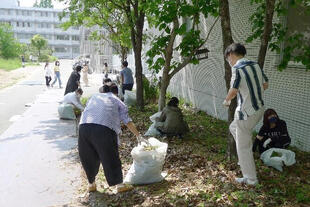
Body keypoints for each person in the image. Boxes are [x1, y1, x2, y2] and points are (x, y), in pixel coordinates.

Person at [78, 84, 141, 193]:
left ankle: (91, 184)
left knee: (88, 156)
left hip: (84, 127)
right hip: (103, 128)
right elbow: (127, 121)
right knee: (110, 156)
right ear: (116, 92)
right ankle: (120, 185)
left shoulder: (94, 97)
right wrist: (138, 135)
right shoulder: (116, 100)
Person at [223, 43, 269, 185]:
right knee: (233, 128)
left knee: (243, 147)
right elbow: (265, 84)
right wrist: (254, 93)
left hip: (246, 113)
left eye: (228, 58)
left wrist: (226, 100)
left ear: (231, 54)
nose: (229, 62)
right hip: (259, 109)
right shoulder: (255, 65)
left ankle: (251, 179)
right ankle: (244, 157)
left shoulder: (237, 68)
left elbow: (233, 90)